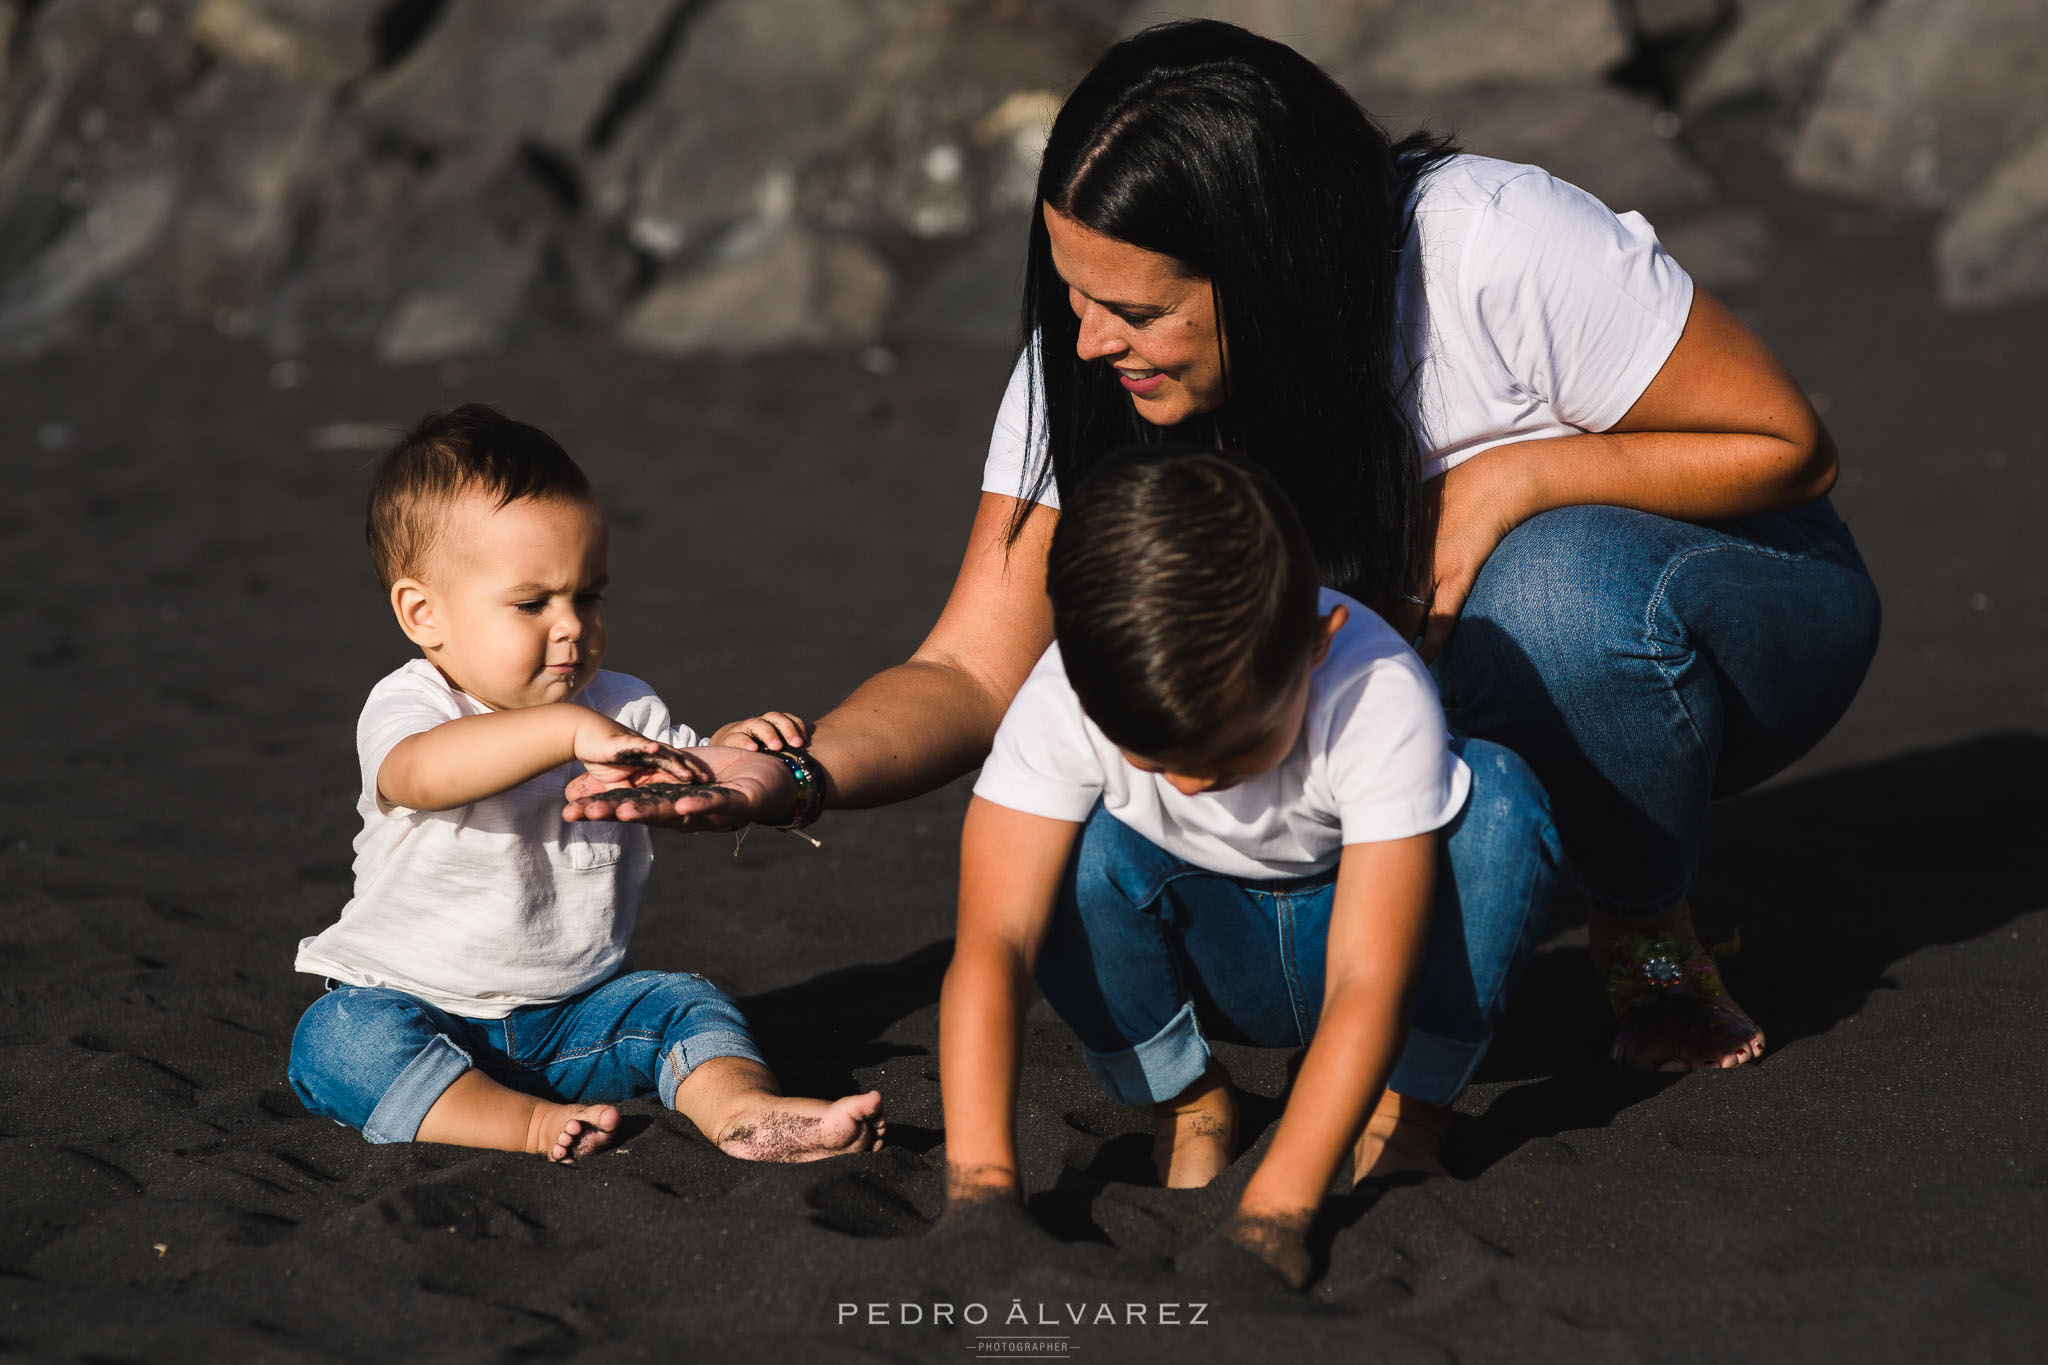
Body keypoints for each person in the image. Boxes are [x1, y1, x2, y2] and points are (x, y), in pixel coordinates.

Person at [568, 20, 1880, 1076]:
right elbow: (972, 673)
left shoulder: (1484, 243)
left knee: (1555, 587)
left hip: (1740, 608)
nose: (1086, 341)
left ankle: (1649, 935)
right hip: (1459, 695)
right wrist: (788, 773)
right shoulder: (1093, 364)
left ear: (1270, 269)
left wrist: (1514, 477)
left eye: (1132, 307)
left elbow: (1783, 444)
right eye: (1069, 293)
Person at [940, 446, 1557, 1288]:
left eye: (1234, 751)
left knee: (1500, 807)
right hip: (1206, 946)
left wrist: (1273, 1217)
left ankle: (1404, 1113)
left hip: (1365, 940)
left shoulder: (1373, 686)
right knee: (1061, 852)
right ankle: (1187, 1099)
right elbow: (994, 942)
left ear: (1315, 642)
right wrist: (981, 1192)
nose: (1194, 783)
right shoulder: (1069, 692)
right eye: (1156, 761)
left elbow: (1368, 980)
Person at [288, 404, 883, 1164]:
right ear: (423, 612)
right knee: (337, 1042)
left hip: (574, 1018)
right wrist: (561, 731)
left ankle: (746, 1111)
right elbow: (419, 772)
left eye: (589, 595)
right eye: (533, 603)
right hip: (417, 1009)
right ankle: (517, 1123)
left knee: (683, 999)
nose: (571, 625)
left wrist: (729, 753)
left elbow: (686, 772)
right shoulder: (415, 704)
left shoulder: (621, 705)